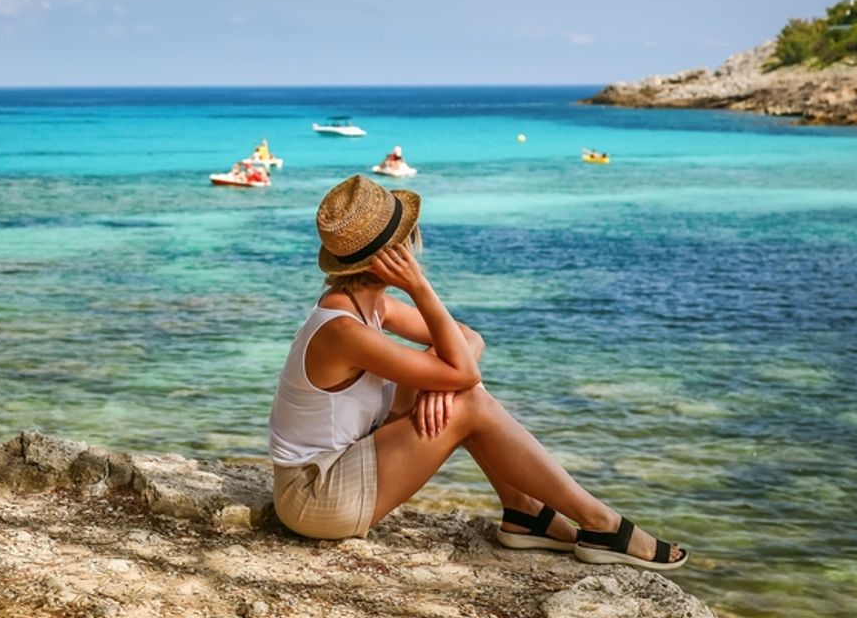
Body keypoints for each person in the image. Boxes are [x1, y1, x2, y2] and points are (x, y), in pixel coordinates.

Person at [266, 175, 688, 571]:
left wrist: (439, 384)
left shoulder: (368, 304)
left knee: (452, 387)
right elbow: (464, 372)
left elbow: (470, 337)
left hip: (337, 472)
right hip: (314, 497)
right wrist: (421, 289)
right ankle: (601, 523)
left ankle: (525, 512)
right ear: (394, 255)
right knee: (466, 399)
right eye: (408, 238)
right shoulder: (342, 329)